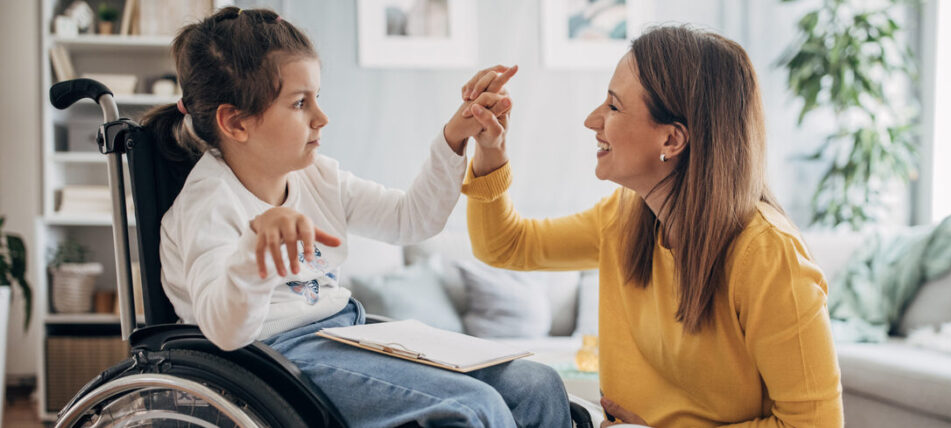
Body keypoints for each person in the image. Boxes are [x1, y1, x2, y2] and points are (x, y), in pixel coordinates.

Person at [149, 7, 570, 427]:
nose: (322, 117)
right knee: (473, 407)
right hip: (274, 360)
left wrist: (454, 138)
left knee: (538, 385)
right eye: (300, 103)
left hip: (347, 334)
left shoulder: (318, 176)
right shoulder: (207, 205)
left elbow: (411, 220)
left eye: (317, 97)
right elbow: (226, 332)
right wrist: (254, 254)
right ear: (235, 122)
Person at [459, 24, 843, 427]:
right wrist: (490, 149)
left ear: (672, 140)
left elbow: (816, 424)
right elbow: (504, 246)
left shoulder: (768, 255)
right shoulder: (625, 217)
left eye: (613, 107)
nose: (592, 121)